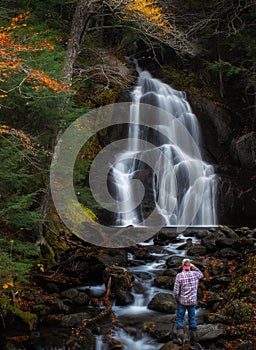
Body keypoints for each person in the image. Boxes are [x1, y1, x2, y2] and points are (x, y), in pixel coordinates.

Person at [173, 258, 203, 346]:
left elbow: (175, 291)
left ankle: (180, 339)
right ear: (190, 266)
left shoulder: (179, 276)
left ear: (182, 266)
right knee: (192, 318)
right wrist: (195, 267)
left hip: (182, 301)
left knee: (179, 319)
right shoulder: (195, 274)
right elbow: (201, 275)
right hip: (193, 301)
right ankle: (193, 340)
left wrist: (177, 299)